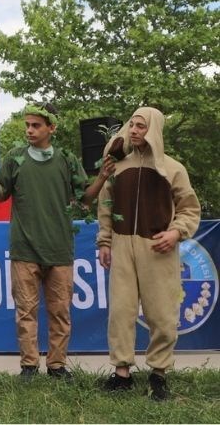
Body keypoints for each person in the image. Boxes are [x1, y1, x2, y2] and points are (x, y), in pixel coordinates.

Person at [0, 102, 113, 381]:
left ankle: (57, 366)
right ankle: (29, 366)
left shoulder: (66, 159)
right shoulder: (15, 157)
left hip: (59, 248)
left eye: (36, 125)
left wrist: (102, 176)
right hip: (24, 247)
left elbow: (86, 199)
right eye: (27, 125)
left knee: (60, 311)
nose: (29, 130)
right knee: (25, 310)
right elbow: (1, 195)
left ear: (51, 128)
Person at [97, 106, 200, 401]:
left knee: (162, 314)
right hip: (122, 245)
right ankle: (122, 374)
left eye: (141, 126)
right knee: (121, 311)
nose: (134, 131)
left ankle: (159, 374)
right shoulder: (117, 167)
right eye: (132, 125)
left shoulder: (172, 168)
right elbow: (104, 206)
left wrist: (176, 232)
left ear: (153, 129)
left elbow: (189, 208)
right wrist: (105, 242)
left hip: (158, 248)